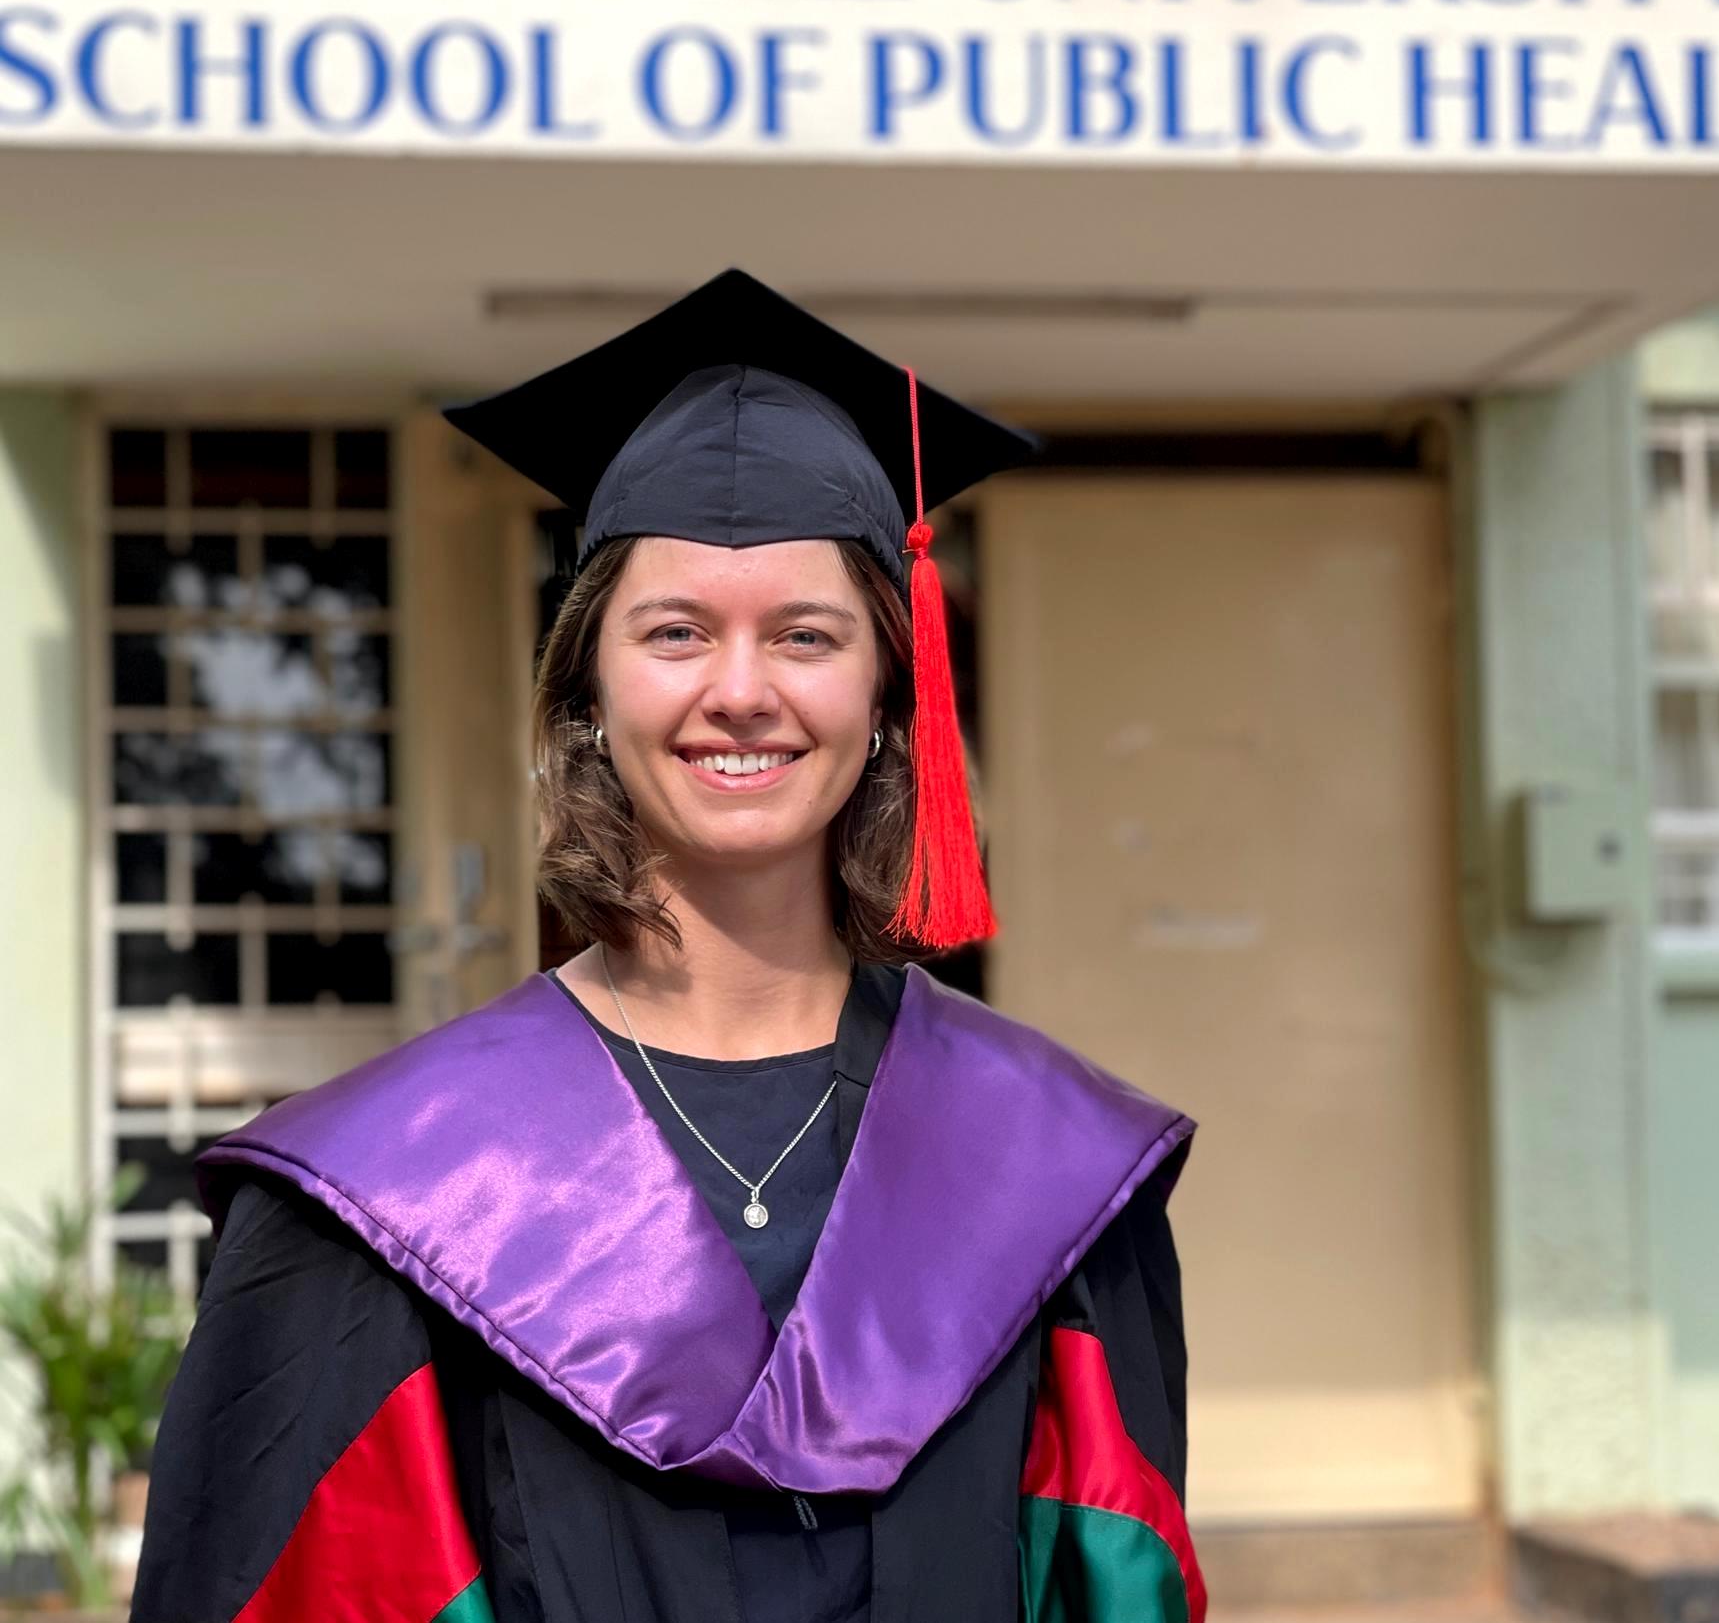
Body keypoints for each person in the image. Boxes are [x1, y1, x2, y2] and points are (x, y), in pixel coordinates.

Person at [129, 267, 1206, 1623]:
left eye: (806, 635)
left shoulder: (1051, 1174)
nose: (741, 688)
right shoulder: (380, 1200)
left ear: (887, 690)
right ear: (589, 684)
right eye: (677, 630)